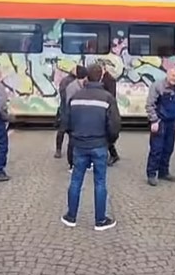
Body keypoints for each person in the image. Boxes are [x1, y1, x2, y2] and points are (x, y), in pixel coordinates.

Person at [60, 63, 120, 231]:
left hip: (79, 145)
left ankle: (71, 217)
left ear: (86, 77)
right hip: (99, 145)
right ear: (101, 77)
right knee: (100, 182)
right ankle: (100, 220)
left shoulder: (76, 97)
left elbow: (66, 121)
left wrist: (75, 136)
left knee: (76, 180)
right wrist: (109, 142)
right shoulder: (107, 98)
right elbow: (115, 125)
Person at [145, 68, 175, 186]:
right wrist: (154, 121)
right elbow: (150, 105)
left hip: (172, 123)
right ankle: (151, 174)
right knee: (156, 149)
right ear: (167, 75)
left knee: (168, 149)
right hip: (160, 123)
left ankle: (164, 172)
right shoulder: (157, 86)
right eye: (173, 76)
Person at [62, 66, 89, 172]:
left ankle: (81, 162)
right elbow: (70, 103)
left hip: (78, 117)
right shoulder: (73, 87)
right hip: (74, 118)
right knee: (73, 142)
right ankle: (72, 164)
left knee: (80, 141)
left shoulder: (76, 85)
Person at [54, 65, 84, 159]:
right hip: (66, 109)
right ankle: (61, 150)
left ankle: (59, 150)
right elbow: (64, 96)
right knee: (65, 131)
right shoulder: (69, 82)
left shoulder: (66, 80)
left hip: (65, 109)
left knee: (62, 131)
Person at [99, 65, 121, 166]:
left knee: (106, 134)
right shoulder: (103, 78)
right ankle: (112, 154)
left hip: (108, 108)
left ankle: (113, 155)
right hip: (104, 106)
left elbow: (111, 94)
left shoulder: (109, 80)